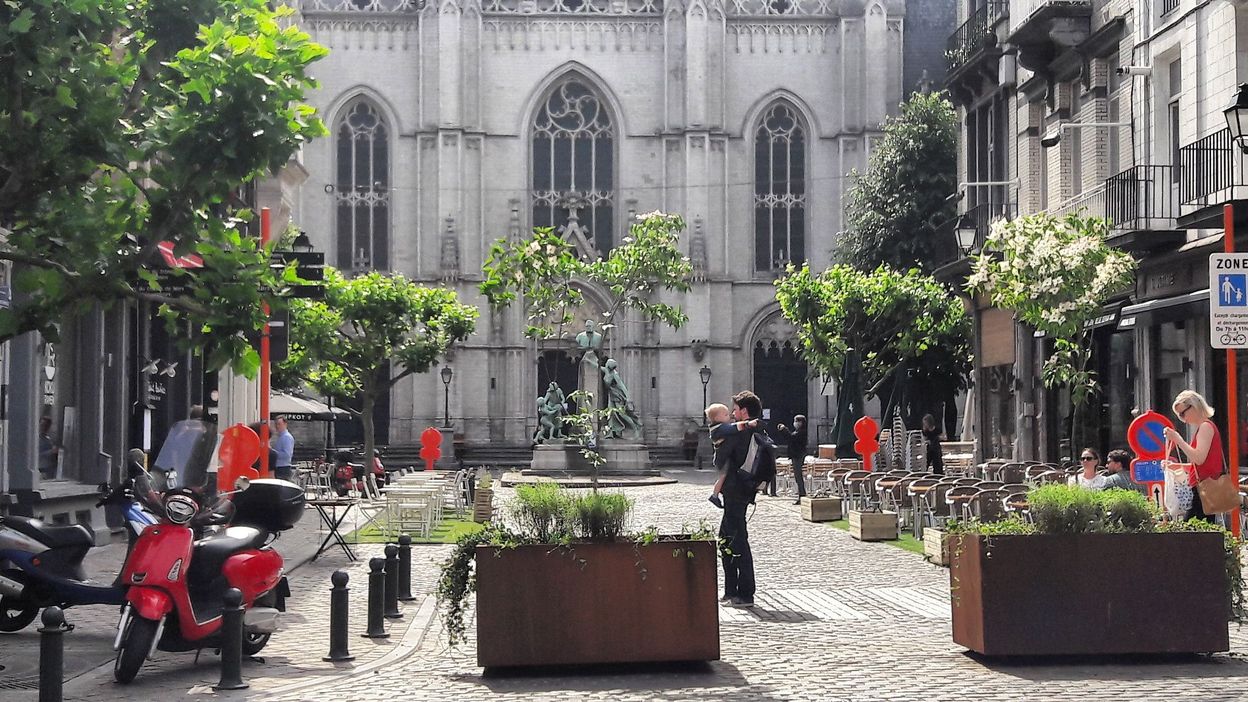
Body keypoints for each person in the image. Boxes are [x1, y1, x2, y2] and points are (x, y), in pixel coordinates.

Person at [716, 390, 767, 609]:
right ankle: (731, 590)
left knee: (737, 541)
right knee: (726, 539)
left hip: (735, 491)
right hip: (743, 491)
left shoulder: (739, 434)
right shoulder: (758, 430)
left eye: (735, 410)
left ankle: (745, 594)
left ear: (744, 411)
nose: (733, 414)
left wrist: (719, 441)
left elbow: (719, 461)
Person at [1164, 390, 1225, 523]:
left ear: (1194, 406)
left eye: (1183, 414)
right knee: (1199, 531)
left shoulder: (1205, 427)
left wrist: (1178, 440)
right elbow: (1201, 462)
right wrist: (1177, 466)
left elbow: (1199, 458)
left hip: (1204, 486)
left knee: (1192, 531)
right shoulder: (1204, 427)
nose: (1183, 419)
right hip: (1204, 486)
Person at [705, 403, 759, 508]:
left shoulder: (720, 427)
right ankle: (715, 495)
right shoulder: (719, 428)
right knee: (723, 476)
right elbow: (734, 428)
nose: (729, 416)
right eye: (725, 415)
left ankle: (717, 493)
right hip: (722, 459)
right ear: (716, 418)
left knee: (723, 476)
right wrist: (748, 424)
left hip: (724, 457)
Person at [776, 415, 809, 505]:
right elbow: (790, 438)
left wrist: (784, 429)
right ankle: (801, 495)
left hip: (798, 456)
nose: (795, 423)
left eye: (796, 421)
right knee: (797, 477)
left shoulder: (802, 432)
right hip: (795, 455)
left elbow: (791, 438)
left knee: (798, 476)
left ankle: (802, 495)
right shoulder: (798, 431)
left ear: (801, 422)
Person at [272, 416, 295, 482]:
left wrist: (273, 453)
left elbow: (287, 454)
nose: (277, 426)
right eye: (276, 424)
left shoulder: (286, 437)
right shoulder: (281, 437)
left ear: (285, 424)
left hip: (283, 468)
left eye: (279, 424)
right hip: (279, 467)